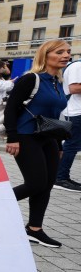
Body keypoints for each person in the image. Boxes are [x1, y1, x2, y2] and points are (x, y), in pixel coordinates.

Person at [3, 39, 72, 248]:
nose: (66, 55)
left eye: (68, 52)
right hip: (26, 136)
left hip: (48, 138)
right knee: (35, 183)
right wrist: (12, 137)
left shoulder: (57, 83)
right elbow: (11, 108)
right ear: (46, 55)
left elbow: (54, 115)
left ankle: (34, 229)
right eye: (59, 52)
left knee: (47, 185)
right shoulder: (31, 79)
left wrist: (58, 145)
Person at [53, 56, 81, 192]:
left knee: (72, 145)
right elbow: (74, 88)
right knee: (71, 145)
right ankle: (60, 177)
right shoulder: (77, 66)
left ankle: (61, 176)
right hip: (77, 112)